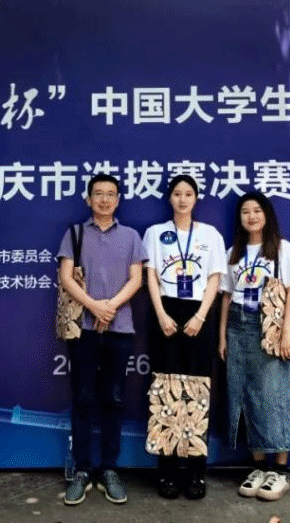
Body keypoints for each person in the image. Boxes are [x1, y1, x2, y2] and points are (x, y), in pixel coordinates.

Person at [57, 173, 146, 506]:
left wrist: (110, 308)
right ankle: (82, 470)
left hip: (119, 329)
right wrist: (95, 306)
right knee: (82, 400)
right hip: (83, 330)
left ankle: (109, 468)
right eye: (98, 194)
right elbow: (66, 277)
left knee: (113, 400)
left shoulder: (131, 236)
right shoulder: (75, 233)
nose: (105, 199)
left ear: (118, 200)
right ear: (88, 199)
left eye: (111, 194)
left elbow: (137, 279)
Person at [143, 174, 226, 500]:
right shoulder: (155, 233)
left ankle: (195, 472)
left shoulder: (210, 234)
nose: (182, 199)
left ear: (196, 198)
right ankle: (166, 472)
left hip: (199, 313)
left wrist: (201, 316)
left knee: (197, 392)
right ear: (169, 198)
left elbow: (215, 278)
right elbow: (151, 275)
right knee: (165, 391)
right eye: (177, 193)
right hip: (165, 311)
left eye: (188, 193)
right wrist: (161, 314)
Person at [218, 190, 290, 503]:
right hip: (237, 324)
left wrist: (286, 333)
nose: (251, 217)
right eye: (245, 212)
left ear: (267, 214)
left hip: (269, 325)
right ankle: (258, 467)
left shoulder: (283, 250)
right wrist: (222, 336)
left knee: (273, 395)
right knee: (244, 395)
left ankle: (280, 471)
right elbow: (227, 296)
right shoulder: (233, 252)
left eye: (257, 210)